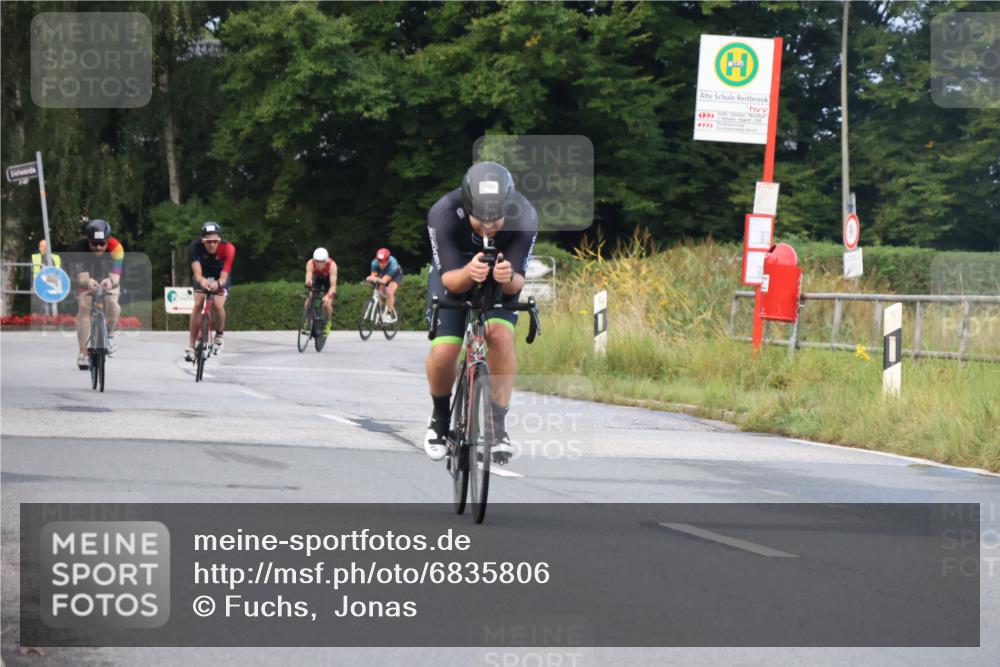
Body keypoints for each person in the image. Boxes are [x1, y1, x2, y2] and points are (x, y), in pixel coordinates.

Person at [423, 161, 538, 463]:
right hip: (455, 269)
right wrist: (469, 273)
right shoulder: (443, 213)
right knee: (446, 351)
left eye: (495, 221)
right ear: (467, 206)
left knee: (499, 335)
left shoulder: (524, 216)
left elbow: (516, 284)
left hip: (501, 271)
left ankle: (497, 425)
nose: (488, 227)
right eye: (479, 221)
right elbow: (448, 279)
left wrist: (506, 278)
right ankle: (439, 419)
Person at [67, 220, 124, 369]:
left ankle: (110, 335)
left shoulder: (116, 248)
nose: (98, 247)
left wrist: (110, 282)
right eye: (94, 244)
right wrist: (88, 282)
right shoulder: (79, 247)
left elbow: (116, 278)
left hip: (108, 276)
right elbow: (81, 278)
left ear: (108, 240)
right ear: (88, 240)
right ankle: (83, 353)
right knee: (84, 306)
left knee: (112, 302)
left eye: (102, 244)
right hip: (87, 277)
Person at [185, 222, 235, 361]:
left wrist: (218, 283)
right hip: (202, 276)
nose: (212, 245)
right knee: (198, 303)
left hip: (220, 277)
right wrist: (202, 281)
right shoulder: (194, 248)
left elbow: (224, 276)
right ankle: (191, 346)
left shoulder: (228, 248)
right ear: (202, 240)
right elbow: (197, 273)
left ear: (219, 239)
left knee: (218, 305)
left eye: (215, 241)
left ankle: (219, 335)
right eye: (208, 242)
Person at [304, 247, 337, 336]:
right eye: (316, 261)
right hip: (317, 279)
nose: (318, 264)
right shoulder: (310, 263)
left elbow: (333, 286)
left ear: (325, 261)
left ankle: (328, 322)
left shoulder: (332, 265)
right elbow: (308, 276)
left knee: (327, 303)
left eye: (321, 262)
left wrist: (328, 296)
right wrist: (308, 281)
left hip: (328, 281)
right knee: (309, 298)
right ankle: (307, 322)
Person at [366, 247, 403, 322]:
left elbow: (384, 281)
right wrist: (371, 279)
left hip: (395, 275)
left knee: (389, 291)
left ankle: (389, 314)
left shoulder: (393, 264)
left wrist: (375, 279)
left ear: (388, 260)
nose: (380, 264)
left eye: (383, 262)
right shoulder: (374, 263)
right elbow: (374, 277)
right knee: (379, 290)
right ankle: (379, 311)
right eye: (379, 261)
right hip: (383, 275)